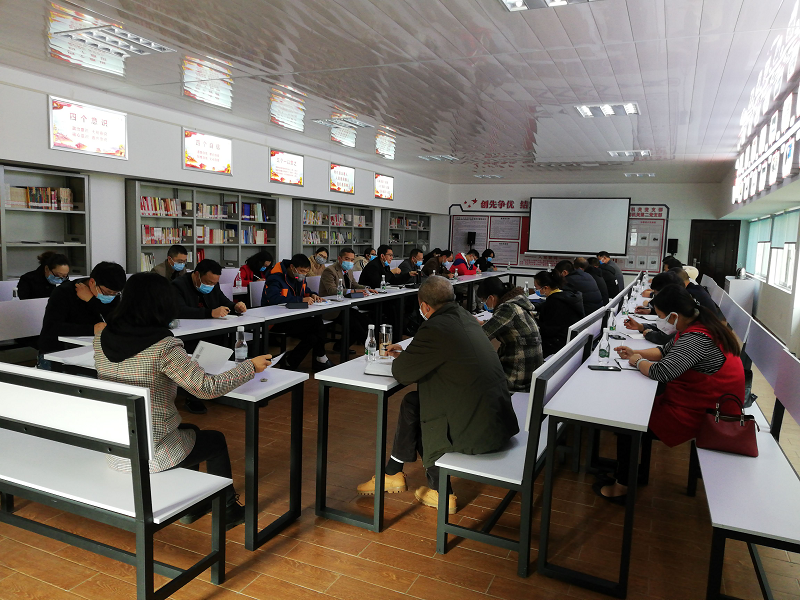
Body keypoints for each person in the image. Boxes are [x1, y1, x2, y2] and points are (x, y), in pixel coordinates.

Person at [94, 272, 273, 530]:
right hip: (152, 453)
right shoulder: (163, 345)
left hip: (118, 446)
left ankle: (191, 506)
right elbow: (206, 388)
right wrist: (250, 367)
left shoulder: (102, 337)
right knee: (215, 440)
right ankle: (228, 511)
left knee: (191, 431)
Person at [356, 277, 519, 513]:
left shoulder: (435, 327)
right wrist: (411, 356)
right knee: (413, 403)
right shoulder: (467, 318)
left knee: (429, 414)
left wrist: (405, 358)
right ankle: (392, 472)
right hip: (496, 417)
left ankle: (442, 492)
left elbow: (402, 373)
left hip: (476, 430)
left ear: (424, 306)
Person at [599, 284, 744, 502]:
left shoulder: (697, 338)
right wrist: (635, 352)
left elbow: (661, 372)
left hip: (707, 415)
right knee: (635, 409)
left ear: (674, 316)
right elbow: (663, 351)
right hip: (703, 402)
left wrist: (638, 361)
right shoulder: (698, 326)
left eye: (661, 317)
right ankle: (630, 472)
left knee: (628, 420)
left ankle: (622, 486)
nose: (662, 322)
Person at [38, 261, 126, 369]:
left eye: (115, 293)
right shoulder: (64, 292)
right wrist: (92, 329)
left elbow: (116, 321)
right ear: (92, 282)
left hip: (92, 352)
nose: (111, 296)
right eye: (107, 292)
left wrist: (91, 300)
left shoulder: (114, 294)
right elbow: (51, 328)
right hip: (57, 353)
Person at [263, 254, 333, 371]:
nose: (303, 274)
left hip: (293, 317)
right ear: (292, 267)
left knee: (313, 337)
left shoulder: (299, 277)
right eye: (301, 271)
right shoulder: (275, 277)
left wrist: (312, 294)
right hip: (274, 320)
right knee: (316, 323)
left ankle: (291, 362)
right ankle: (321, 358)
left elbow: (305, 290)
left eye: (306, 272)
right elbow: (274, 299)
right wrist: (300, 300)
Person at [477, 278, 543, 392]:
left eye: (484, 301)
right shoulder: (517, 303)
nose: (484, 305)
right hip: (530, 374)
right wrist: (484, 323)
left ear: (491, 298)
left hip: (516, 378)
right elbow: (504, 322)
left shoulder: (507, 308)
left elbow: (480, 337)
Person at [318, 247, 373, 350]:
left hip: (345, 306)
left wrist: (367, 288)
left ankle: (340, 346)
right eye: (347, 259)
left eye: (352, 260)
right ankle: (371, 349)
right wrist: (352, 291)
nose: (350, 262)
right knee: (356, 325)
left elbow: (355, 285)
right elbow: (332, 290)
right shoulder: (329, 270)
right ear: (339, 258)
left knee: (366, 321)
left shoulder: (349, 270)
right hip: (332, 308)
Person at [533, 270, 585, 357]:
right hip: (569, 339)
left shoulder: (555, 302)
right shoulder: (565, 295)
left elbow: (548, 330)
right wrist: (532, 306)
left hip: (556, 344)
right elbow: (545, 305)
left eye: (536, 287)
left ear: (545, 288)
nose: (536, 290)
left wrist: (533, 319)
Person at [623, 270, 684, 345]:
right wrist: (642, 327)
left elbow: (666, 337)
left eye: (655, 293)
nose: (656, 298)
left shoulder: (681, 312)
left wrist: (649, 334)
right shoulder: (678, 303)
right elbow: (665, 327)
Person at [172, 259, 246, 319]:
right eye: (209, 282)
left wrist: (235, 307)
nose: (211, 286)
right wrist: (210, 313)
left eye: (214, 283)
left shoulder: (214, 284)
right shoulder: (178, 285)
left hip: (211, 325)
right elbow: (180, 310)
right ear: (197, 275)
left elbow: (223, 301)